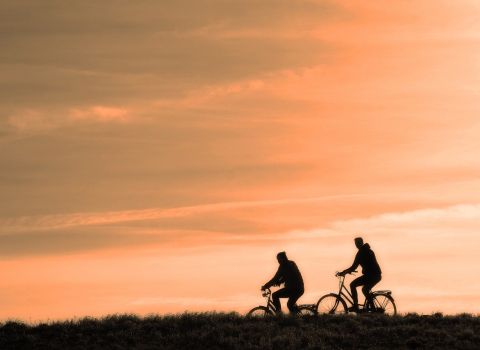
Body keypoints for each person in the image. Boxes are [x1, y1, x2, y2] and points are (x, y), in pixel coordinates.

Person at [339, 237, 382, 312]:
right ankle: (362, 307)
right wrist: (346, 271)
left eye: (358, 243)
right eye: (356, 243)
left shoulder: (362, 252)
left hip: (374, 275)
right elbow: (355, 266)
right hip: (370, 275)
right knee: (357, 286)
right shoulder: (367, 251)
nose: (357, 245)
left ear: (362, 242)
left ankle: (370, 308)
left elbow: (354, 266)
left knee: (363, 289)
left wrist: (344, 272)